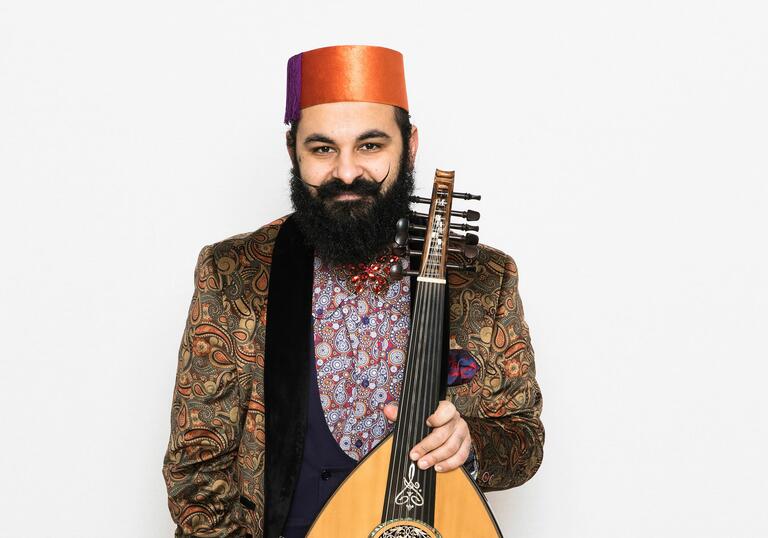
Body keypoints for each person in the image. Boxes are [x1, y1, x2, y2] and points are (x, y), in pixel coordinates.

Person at [162, 44, 544, 538]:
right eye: (322, 148)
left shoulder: (486, 279)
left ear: (409, 146)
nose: (345, 172)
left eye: (370, 145)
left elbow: (524, 439)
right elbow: (197, 470)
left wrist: (470, 445)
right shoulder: (234, 273)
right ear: (292, 152)